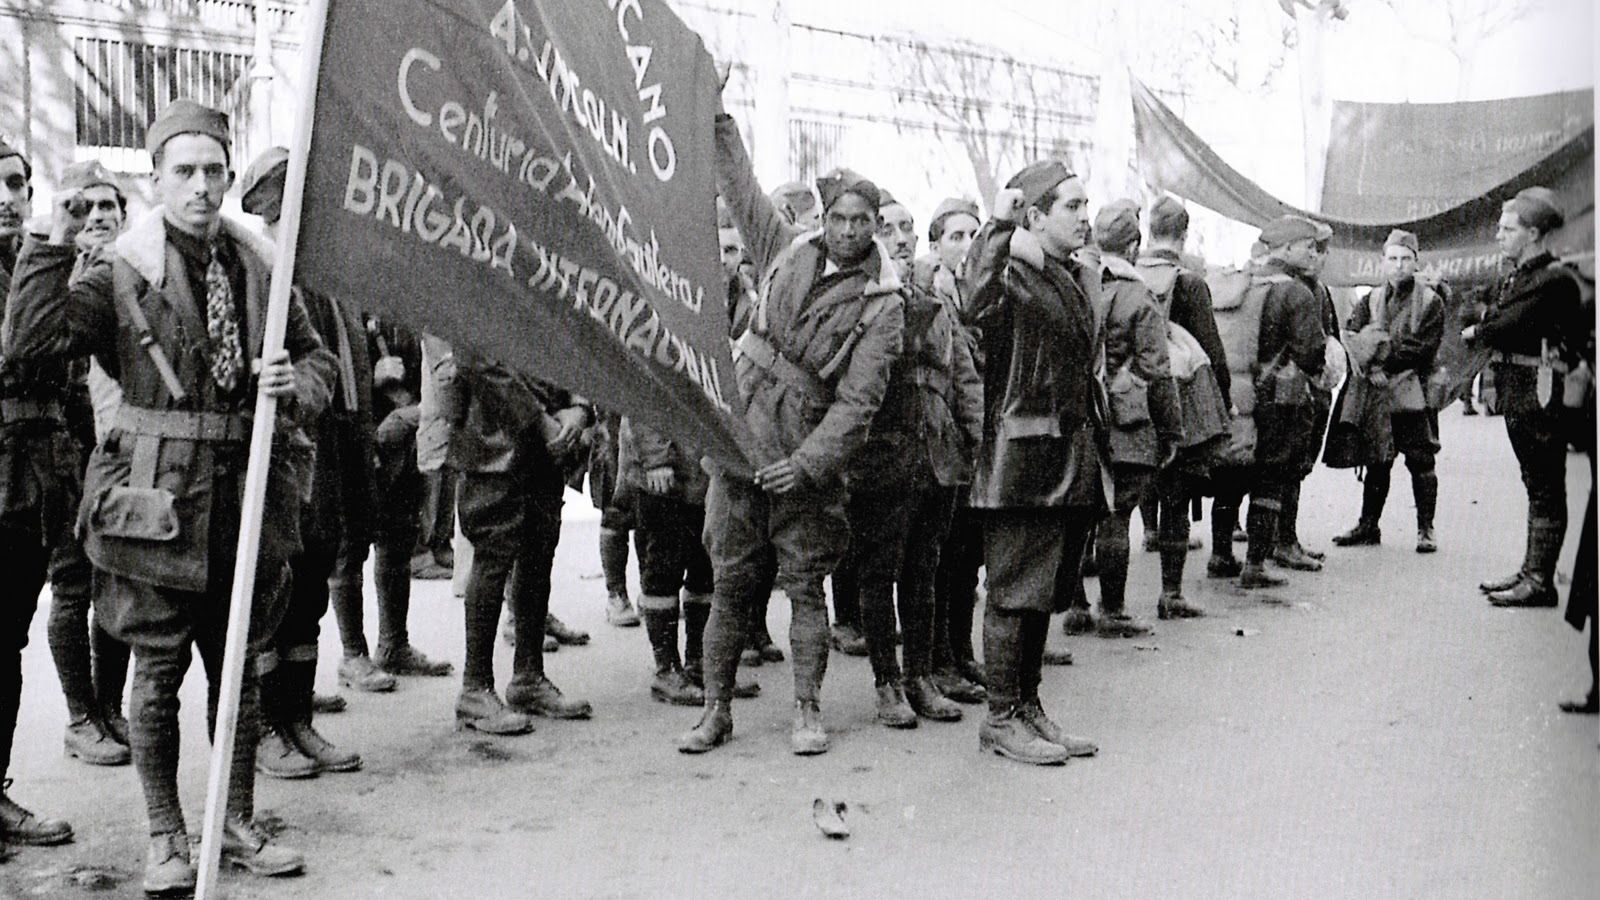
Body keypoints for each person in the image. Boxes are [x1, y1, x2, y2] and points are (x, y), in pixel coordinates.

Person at [8, 100, 330, 891]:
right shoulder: (120, 267)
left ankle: (237, 817)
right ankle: (164, 836)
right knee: (155, 676)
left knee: (239, 672)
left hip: (247, 497)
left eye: (214, 170)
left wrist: (297, 384)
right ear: (155, 179)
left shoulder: (261, 265)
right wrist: (51, 239)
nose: (201, 186)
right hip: (153, 502)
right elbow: (31, 342)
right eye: (183, 171)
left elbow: (318, 361)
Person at [677, 96, 904, 756]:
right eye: (839, 217)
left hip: (806, 458)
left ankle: (807, 709)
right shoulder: (783, 247)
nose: (850, 231)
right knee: (731, 584)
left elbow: (859, 405)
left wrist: (805, 465)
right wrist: (716, 114)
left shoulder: (884, 304)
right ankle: (715, 710)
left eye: (863, 221)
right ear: (823, 217)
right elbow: (740, 185)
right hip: (739, 442)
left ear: (877, 226)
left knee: (806, 587)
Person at [961, 161, 1104, 765]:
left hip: (1065, 455)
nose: (1084, 217)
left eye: (1085, 205)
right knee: (1014, 592)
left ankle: (1028, 707)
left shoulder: (1068, 275)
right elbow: (973, 295)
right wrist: (996, 223)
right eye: (1071, 206)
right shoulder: (1012, 275)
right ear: (1035, 216)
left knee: (1045, 591)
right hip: (1020, 460)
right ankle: (999, 717)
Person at [239, 147, 372, 779]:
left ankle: (297, 718)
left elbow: (345, 367)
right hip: (287, 447)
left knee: (314, 580)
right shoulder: (266, 267)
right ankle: (266, 726)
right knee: (276, 588)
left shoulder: (326, 270)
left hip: (336, 443)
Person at [835, 191, 978, 727]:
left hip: (936, 457)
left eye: (908, 228)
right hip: (880, 456)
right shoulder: (859, 298)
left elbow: (961, 374)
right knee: (878, 574)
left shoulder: (934, 301)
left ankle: (920, 677)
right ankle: (886, 684)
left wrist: (970, 439)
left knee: (924, 572)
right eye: (889, 228)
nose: (901, 236)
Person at [24, 161, 136, 769]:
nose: (98, 217)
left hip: (108, 451)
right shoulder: (50, 271)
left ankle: (110, 707)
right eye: (85, 207)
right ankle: (79, 716)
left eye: (108, 206)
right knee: (71, 584)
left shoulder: (130, 272)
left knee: (112, 578)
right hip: (59, 447)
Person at [0, 138, 81, 857]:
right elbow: (21, 350)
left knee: (5, 644)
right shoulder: (34, 269)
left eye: (17, 183)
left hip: (31, 482)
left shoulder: (30, 267)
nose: (7, 196)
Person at [446, 355, 595, 732]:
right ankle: (475, 689)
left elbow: (569, 339)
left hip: (546, 440)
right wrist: (541, 419)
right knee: (493, 557)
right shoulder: (480, 293)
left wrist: (578, 407)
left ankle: (529, 677)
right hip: (495, 437)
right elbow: (476, 358)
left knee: (538, 552)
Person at [1466, 187, 1587, 607]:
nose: (1499, 235)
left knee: (1546, 485)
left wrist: (1482, 328)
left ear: (1533, 233)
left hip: (1542, 393)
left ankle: (1540, 580)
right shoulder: (1523, 275)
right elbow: (1495, 317)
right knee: (1536, 483)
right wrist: (1487, 323)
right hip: (1523, 391)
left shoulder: (1551, 278)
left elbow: (1501, 325)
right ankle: (1531, 571)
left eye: (1508, 228)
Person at [1205, 216, 1327, 591]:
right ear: (1286, 249)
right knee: (1271, 477)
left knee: (1231, 475)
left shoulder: (1241, 280)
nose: (1313, 251)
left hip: (1236, 393)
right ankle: (1255, 565)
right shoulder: (1296, 293)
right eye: (1308, 244)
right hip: (1278, 400)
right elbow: (1312, 354)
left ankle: (1221, 554)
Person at [1090, 201, 1182, 637]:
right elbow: (1158, 371)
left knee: (1080, 516)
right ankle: (1112, 611)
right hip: (1126, 421)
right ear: (1134, 244)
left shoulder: (1079, 281)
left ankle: (1074, 606)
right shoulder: (1137, 294)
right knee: (1116, 516)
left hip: (1082, 416)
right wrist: (1170, 431)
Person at [1135, 196, 1230, 616]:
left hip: (1131, 394)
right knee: (1177, 494)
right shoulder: (1189, 282)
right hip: (1176, 397)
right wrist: (1223, 400)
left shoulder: (1126, 274)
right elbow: (1210, 349)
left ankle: (1112, 595)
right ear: (1184, 232)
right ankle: (1171, 593)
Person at [1329, 229, 1444, 552]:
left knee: (1421, 460)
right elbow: (1352, 335)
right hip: (1378, 392)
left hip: (1414, 392)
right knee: (1378, 458)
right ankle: (1368, 525)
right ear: (1383, 262)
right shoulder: (1371, 299)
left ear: (1416, 262)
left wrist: (1380, 361)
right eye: (1392, 259)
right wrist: (1370, 366)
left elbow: (1421, 348)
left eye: (1406, 259)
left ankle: (1425, 529)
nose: (1398, 266)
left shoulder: (1432, 302)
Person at [926, 197, 987, 704]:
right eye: (955, 236)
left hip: (978, 437)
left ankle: (961, 651)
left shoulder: (983, 293)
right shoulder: (932, 293)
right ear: (936, 245)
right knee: (941, 559)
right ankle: (937, 660)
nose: (966, 246)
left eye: (974, 234)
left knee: (968, 555)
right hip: (944, 438)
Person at [1274, 221, 1340, 572]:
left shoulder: (1319, 290)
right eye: (1312, 249)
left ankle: (1286, 537)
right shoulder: (1296, 289)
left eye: (1322, 251)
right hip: (1297, 388)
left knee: (1300, 463)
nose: (1317, 257)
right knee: (1291, 464)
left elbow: (1332, 336)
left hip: (1315, 390)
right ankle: (1283, 541)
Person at [589, 411, 642, 627]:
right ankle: (616, 594)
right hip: (613, 418)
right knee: (615, 508)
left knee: (649, 508)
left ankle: (649, 591)